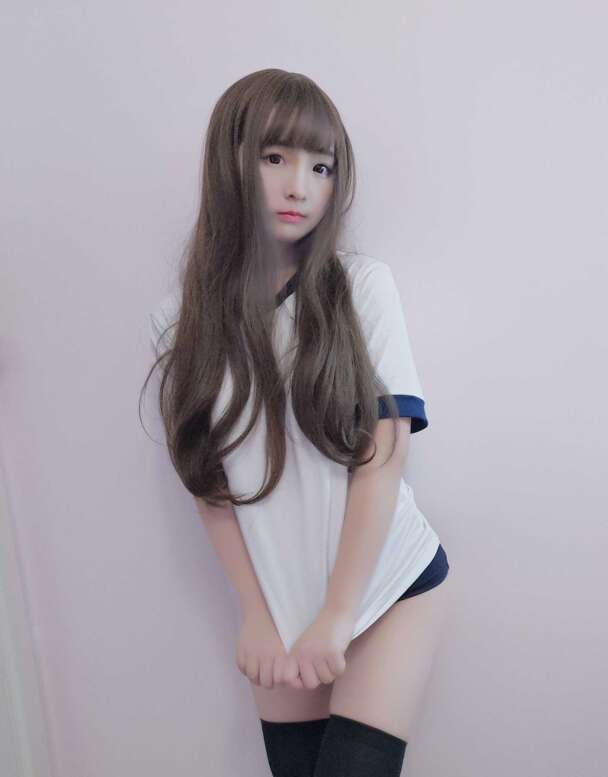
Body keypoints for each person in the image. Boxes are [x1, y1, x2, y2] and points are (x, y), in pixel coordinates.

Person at [142, 68, 451, 777]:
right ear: (229, 161)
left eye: (321, 166)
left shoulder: (360, 287)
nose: (298, 187)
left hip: (387, 586)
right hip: (280, 607)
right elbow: (209, 486)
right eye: (274, 157)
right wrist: (255, 613)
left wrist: (338, 615)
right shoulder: (178, 322)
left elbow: (382, 462)